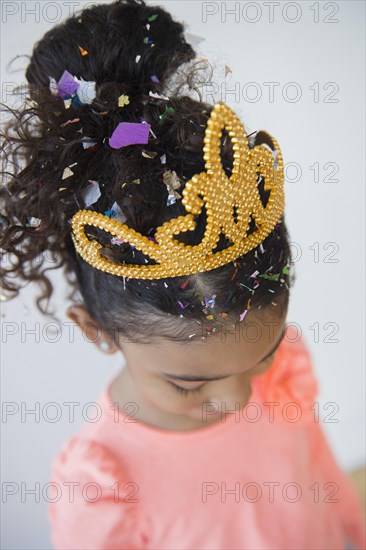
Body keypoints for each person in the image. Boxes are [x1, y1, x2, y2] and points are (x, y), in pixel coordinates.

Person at [1, 0, 365, 548]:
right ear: (95, 330)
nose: (239, 397)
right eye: (187, 385)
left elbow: (322, 483)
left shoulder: (271, 369)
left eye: (261, 359)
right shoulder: (103, 485)